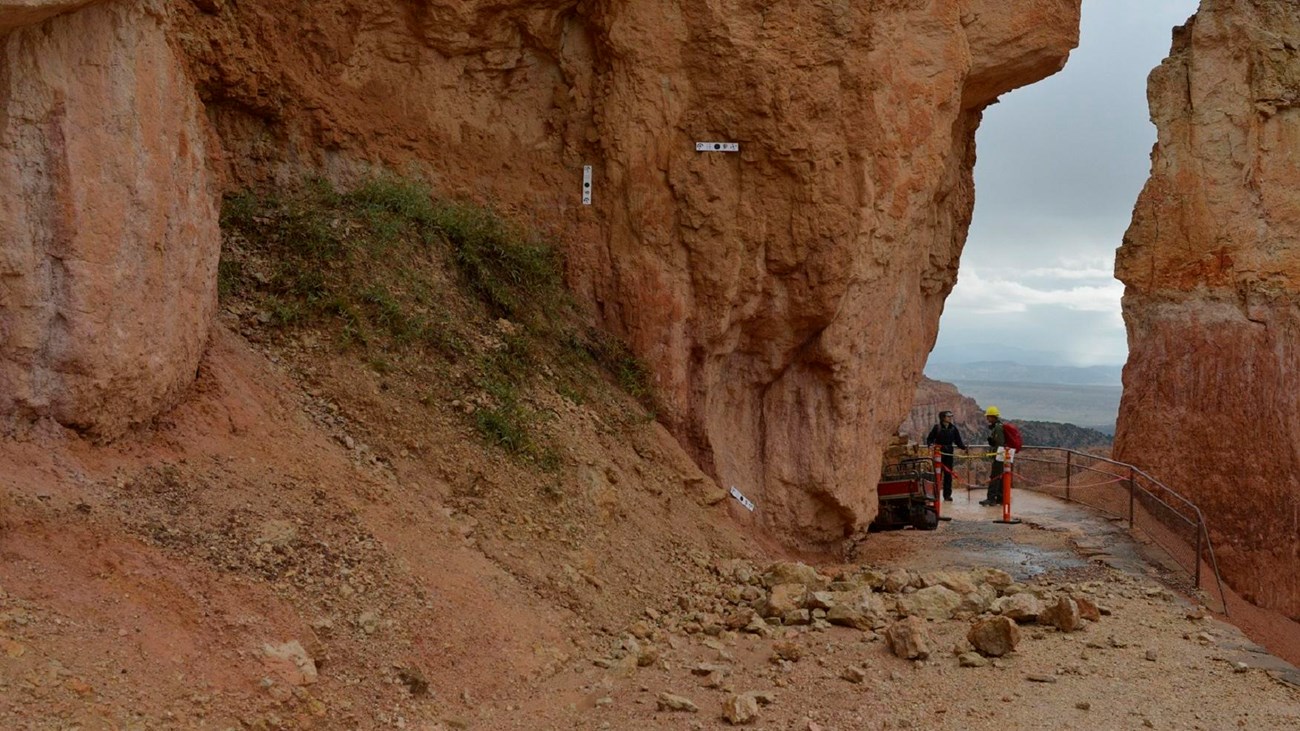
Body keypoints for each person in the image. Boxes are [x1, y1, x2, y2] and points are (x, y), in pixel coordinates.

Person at [925, 410, 966, 501]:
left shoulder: (953, 428)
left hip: (949, 453)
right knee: (937, 475)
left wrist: (964, 447)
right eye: (948, 416)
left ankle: (947, 495)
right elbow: (930, 439)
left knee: (948, 474)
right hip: (938, 453)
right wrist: (930, 445)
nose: (950, 418)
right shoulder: (937, 428)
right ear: (943, 418)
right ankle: (935, 494)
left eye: (951, 416)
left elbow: (958, 441)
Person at [980, 406, 1006, 506]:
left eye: (988, 417)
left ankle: (991, 498)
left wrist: (993, 443)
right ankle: (1000, 497)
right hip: (1000, 455)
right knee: (1000, 477)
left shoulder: (998, 428)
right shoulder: (999, 426)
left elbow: (999, 443)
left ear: (992, 417)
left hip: (999, 456)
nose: (987, 419)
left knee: (994, 477)